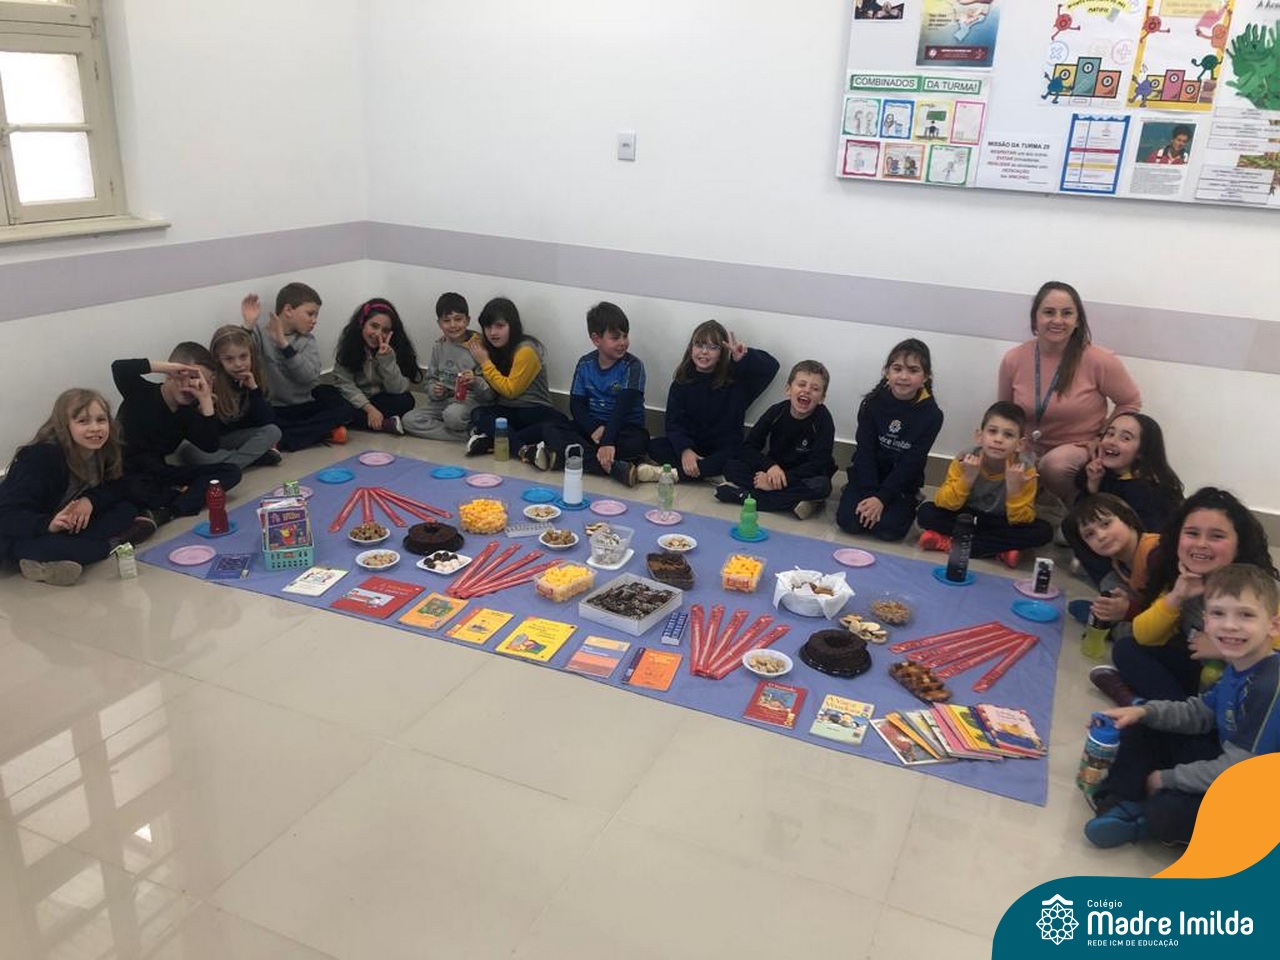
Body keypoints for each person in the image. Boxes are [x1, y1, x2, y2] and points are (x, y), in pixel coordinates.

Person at [1083, 564, 1280, 848]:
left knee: (1173, 809)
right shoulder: (1238, 664)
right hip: (1232, 764)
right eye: (1218, 613)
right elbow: (1199, 713)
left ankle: (1143, 819)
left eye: (1246, 615)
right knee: (1141, 726)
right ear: (1206, 621)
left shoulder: (1270, 684)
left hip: (1259, 794)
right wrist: (1144, 711)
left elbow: (1240, 772)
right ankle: (1118, 801)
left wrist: (1169, 778)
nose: (1230, 625)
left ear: (1273, 625)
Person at [1091, 488, 1279, 707]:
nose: (1201, 544)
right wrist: (1177, 596)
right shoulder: (1185, 578)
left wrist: (1224, 651)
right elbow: (1143, 636)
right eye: (1192, 533)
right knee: (1127, 649)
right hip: (1203, 680)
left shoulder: (1262, 590)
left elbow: (1273, 666)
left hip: (1249, 692)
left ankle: (1154, 709)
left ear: (1239, 544)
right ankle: (1174, 712)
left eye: (1217, 536)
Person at [997, 281, 1141, 503]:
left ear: (1077, 320)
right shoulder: (1013, 359)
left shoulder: (1099, 359)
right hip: (1027, 445)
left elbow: (1130, 402)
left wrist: (1102, 438)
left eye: (1066, 313)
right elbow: (1004, 413)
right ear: (1035, 318)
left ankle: (1075, 508)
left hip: (1078, 448)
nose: (1057, 320)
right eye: (1049, 312)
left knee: (1055, 465)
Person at [0, 389, 154, 586]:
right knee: (78, 548)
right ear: (64, 426)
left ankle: (55, 559)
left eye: (101, 420)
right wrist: (48, 524)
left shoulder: (104, 449)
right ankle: (103, 546)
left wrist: (90, 500)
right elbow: (7, 515)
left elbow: (117, 486)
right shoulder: (41, 458)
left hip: (68, 525)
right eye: (83, 421)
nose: (95, 428)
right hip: (27, 530)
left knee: (126, 509)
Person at [112, 345, 242, 523]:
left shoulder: (187, 411)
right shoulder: (141, 392)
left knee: (231, 471)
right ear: (172, 373)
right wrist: (169, 367)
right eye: (190, 378)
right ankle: (179, 499)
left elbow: (210, 445)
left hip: (160, 473)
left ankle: (171, 508)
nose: (193, 387)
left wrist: (206, 400)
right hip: (128, 473)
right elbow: (119, 368)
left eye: (201, 383)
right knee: (133, 492)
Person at [916, 401, 1052, 567]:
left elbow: (1021, 521)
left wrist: (1014, 489)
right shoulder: (965, 459)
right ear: (980, 436)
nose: (998, 440)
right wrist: (967, 478)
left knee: (1043, 531)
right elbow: (944, 503)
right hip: (966, 517)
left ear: (1020, 444)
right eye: (992, 432)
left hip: (1001, 521)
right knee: (926, 512)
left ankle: (952, 542)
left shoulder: (1026, 470)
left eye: (1008, 435)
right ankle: (997, 549)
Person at [835, 338, 943, 542]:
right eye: (897, 368)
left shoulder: (932, 415)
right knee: (849, 523)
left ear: (925, 376)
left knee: (888, 531)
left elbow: (912, 463)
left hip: (901, 483)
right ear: (887, 372)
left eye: (913, 370)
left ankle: (911, 501)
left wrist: (882, 498)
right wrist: (870, 494)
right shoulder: (871, 404)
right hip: (867, 477)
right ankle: (853, 492)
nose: (903, 376)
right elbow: (865, 452)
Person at [647, 320, 779, 484]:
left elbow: (772, 367)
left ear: (722, 352)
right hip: (693, 446)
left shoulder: (736, 381)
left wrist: (744, 356)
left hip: (723, 449)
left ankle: (676, 474)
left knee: (736, 460)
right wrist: (685, 450)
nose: (704, 352)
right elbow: (674, 424)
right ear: (691, 348)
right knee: (655, 446)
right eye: (699, 345)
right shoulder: (681, 383)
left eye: (713, 347)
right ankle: (708, 473)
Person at [1064, 412, 1183, 587]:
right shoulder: (1104, 471)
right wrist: (1093, 484)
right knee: (1072, 524)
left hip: (1149, 559)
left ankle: (1117, 582)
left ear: (1142, 452)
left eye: (1125, 438)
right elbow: (1084, 511)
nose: (1112, 441)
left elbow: (1152, 538)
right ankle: (1108, 577)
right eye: (1110, 433)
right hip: (1121, 551)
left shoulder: (1147, 489)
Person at [537, 302, 649, 486]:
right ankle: (612, 467)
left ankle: (567, 458)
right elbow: (576, 405)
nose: (623, 342)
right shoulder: (585, 364)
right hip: (593, 430)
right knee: (551, 428)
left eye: (625, 335)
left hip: (623, 429)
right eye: (615, 337)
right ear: (596, 339)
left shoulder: (633, 366)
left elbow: (621, 410)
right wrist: (594, 429)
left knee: (637, 443)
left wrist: (607, 441)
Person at [715, 360, 836, 519]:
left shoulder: (824, 420)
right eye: (801, 384)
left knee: (822, 486)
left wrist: (779, 480)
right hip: (773, 469)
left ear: (821, 398)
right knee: (731, 466)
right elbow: (748, 447)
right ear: (788, 389)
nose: (807, 391)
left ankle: (744, 496)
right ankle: (792, 502)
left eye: (815, 389)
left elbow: (819, 463)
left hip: (801, 476)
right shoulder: (776, 412)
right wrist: (770, 467)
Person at [242, 283, 353, 450]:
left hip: (304, 405)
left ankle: (286, 439)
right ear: (288, 310)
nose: (314, 320)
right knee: (255, 419)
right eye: (310, 314)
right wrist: (248, 325)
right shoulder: (259, 335)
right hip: (275, 408)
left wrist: (284, 345)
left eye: (316, 315)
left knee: (344, 407)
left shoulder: (307, 340)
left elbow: (308, 377)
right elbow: (240, 351)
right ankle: (321, 433)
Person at [463, 297, 569, 457]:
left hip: (534, 410)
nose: (493, 333)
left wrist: (485, 362)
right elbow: (466, 339)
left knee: (554, 426)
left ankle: (507, 446)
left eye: (500, 326)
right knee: (478, 414)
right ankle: (520, 447)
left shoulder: (526, 350)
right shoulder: (489, 348)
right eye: (488, 327)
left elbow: (511, 391)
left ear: (512, 326)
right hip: (508, 411)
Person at [175, 325, 282, 470]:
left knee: (273, 431)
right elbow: (204, 434)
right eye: (229, 359)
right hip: (213, 442)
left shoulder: (253, 378)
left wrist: (254, 390)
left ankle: (229, 465)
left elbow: (267, 421)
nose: (238, 364)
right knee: (189, 451)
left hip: (237, 439)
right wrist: (206, 406)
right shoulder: (211, 381)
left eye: (243, 357)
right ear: (219, 360)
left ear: (251, 355)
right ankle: (246, 460)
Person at [403, 292, 494, 442]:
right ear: (439, 323)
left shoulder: (478, 347)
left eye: (458, 319)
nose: (453, 325)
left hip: (469, 402)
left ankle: (461, 427)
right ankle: (466, 435)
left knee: (452, 417)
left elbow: (489, 393)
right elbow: (430, 380)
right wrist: (435, 390)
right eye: (446, 321)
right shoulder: (439, 347)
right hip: (443, 402)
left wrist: (475, 381)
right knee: (409, 420)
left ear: (467, 320)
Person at [327, 297, 422, 434]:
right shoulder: (349, 345)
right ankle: (384, 424)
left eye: (385, 330)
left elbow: (397, 389)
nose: (378, 334)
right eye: (374, 326)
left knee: (406, 400)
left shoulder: (396, 348)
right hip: (356, 400)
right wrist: (369, 409)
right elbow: (345, 384)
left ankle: (351, 421)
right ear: (362, 323)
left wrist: (387, 361)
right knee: (323, 393)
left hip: (381, 398)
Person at [1069, 494, 1161, 626]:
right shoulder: (1118, 563)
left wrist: (1129, 611)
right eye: (1089, 534)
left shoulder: (1155, 553)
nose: (1101, 536)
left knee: (1123, 636)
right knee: (1106, 587)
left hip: (1179, 625)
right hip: (1150, 614)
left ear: (1127, 519)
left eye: (1106, 524)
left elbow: (1175, 612)